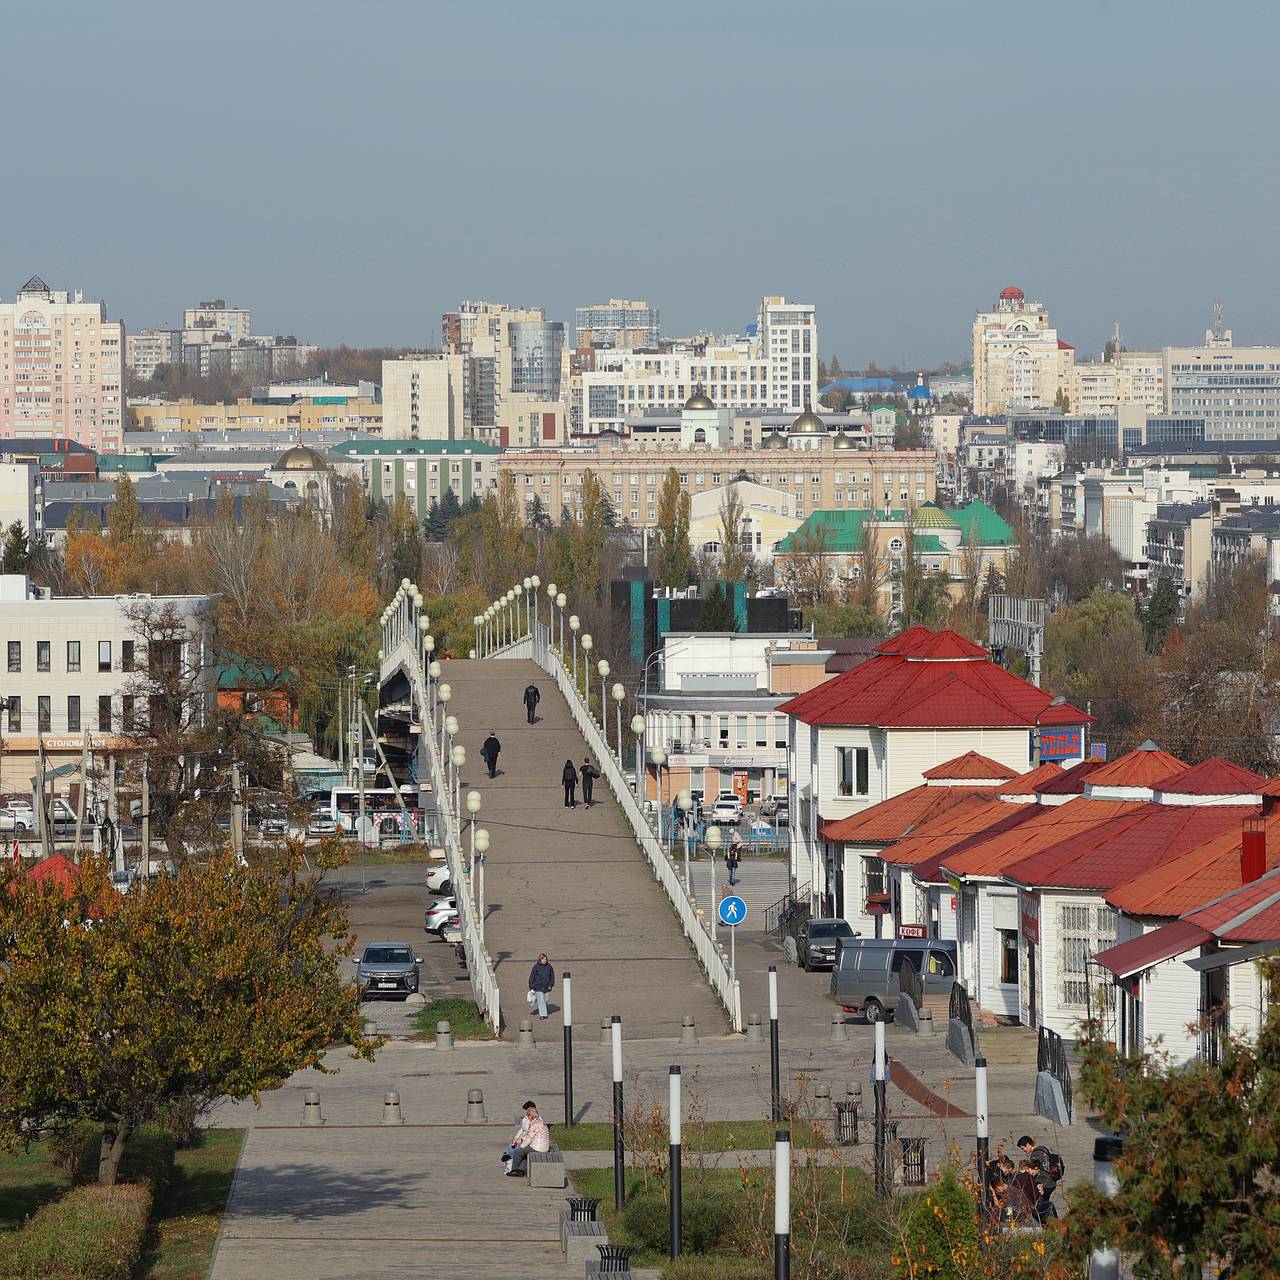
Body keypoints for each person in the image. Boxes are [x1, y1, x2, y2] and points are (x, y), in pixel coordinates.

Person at [503, 1100, 550, 1177]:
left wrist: (521, 1146)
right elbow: (524, 1131)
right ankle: (520, 1170)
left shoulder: (534, 1124)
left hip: (538, 1147)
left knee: (518, 1151)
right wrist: (517, 1138)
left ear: (530, 1116)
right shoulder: (539, 1121)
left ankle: (513, 1170)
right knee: (523, 1152)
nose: (527, 1117)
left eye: (528, 1116)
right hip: (542, 1146)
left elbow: (529, 1138)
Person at [528, 952, 555, 1019]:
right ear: (540, 960)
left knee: (546, 1000)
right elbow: (532, 977)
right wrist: (531, 986)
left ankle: (542, 1008)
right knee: (541, 1000)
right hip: (538, 987)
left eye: (545, 959)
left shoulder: (549, 967)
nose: (544, 961)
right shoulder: (536, 967)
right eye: (543, 959)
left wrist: (551, 985)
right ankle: (543, 1015)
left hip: (546, 987)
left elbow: (552, 977)